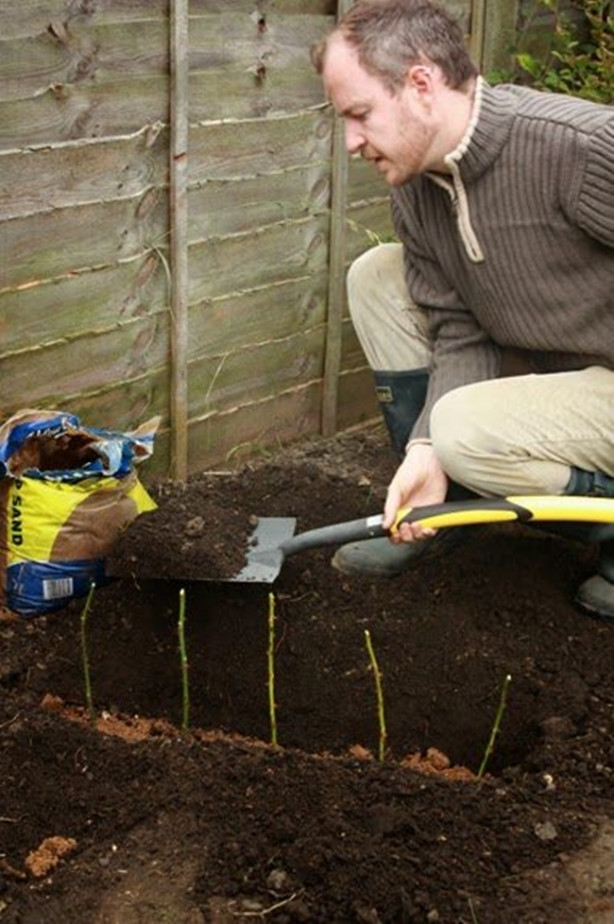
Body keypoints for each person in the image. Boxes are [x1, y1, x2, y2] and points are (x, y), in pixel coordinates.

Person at [311, 0, 614, 620]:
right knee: (377, 277)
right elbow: (458, 330)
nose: (350, 142)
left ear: (421, 83)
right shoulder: (419, 191)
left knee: (465, 428)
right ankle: (441, 506)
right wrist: (424, 450)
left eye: (359, 114)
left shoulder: (579, 147)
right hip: (553, 369)